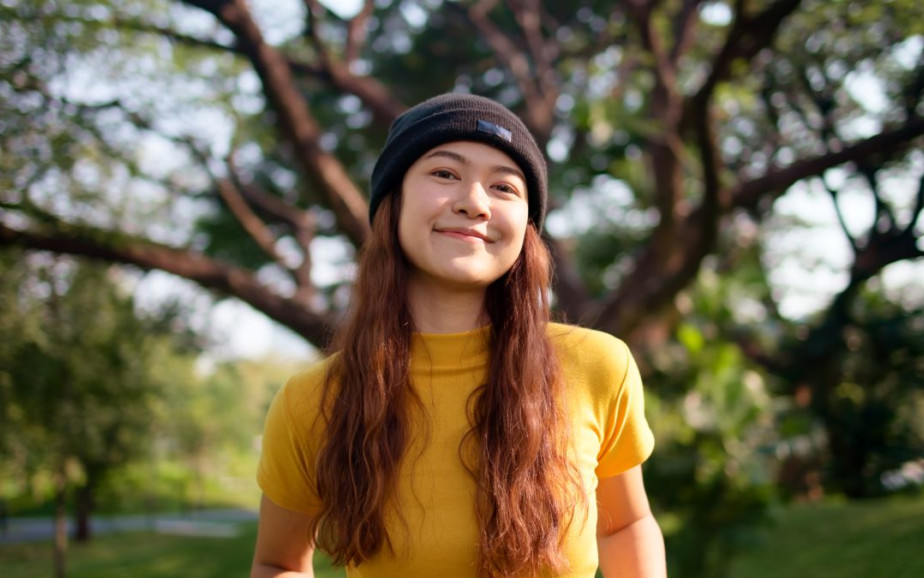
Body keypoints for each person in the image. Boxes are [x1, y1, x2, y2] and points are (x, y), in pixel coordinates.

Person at [251, 93, 666, 578]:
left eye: (504, 187)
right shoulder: (313, 400)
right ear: (394, 202)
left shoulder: (598, 366)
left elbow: (626, 525)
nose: (474, 203)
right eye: (445, 174)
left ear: (527, 228)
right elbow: (280, 562)